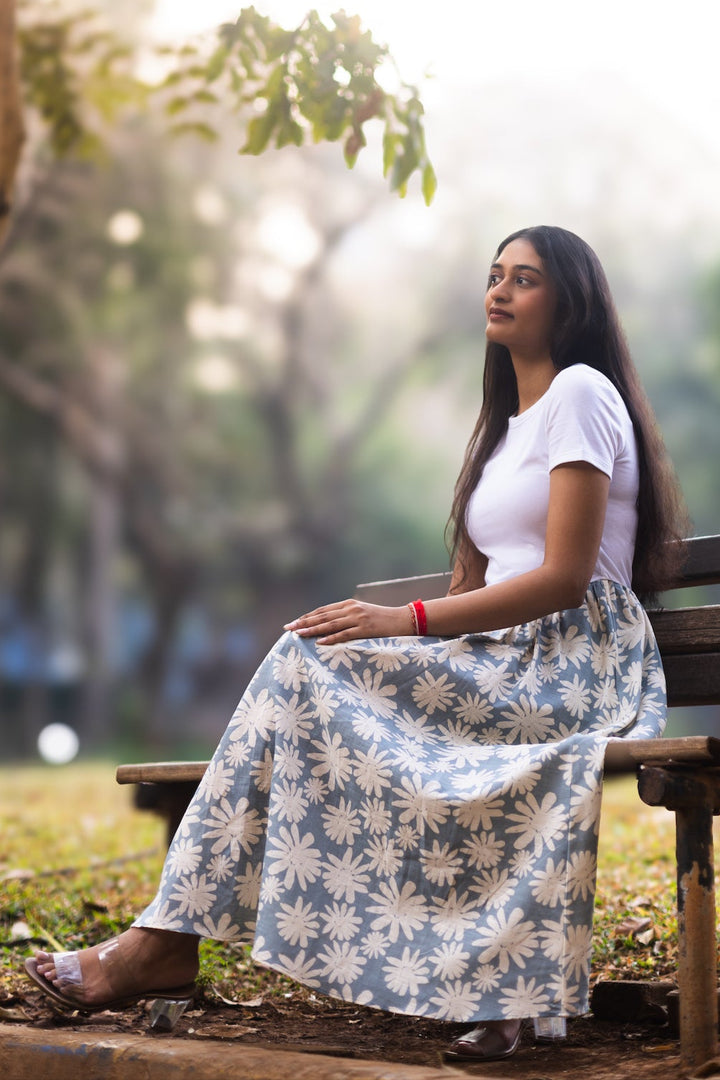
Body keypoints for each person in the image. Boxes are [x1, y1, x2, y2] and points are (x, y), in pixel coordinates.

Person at [25, 226, 686, 1062]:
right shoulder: (503, 429)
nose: (500, 289)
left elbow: (561, 580)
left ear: (571, 300)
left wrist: (399, 625)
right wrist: (411, 645)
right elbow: (470, 588)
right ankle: (170, 937)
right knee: (304, 657)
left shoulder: (584, 393)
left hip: (567, 663)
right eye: (494, 275)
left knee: (309, 661)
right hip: (496, 658)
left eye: (525, 278)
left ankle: (167, 943)